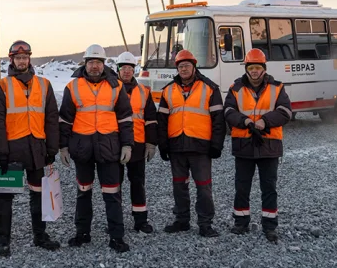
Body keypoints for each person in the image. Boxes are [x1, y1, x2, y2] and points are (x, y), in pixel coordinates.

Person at [59, 44, 134, 253]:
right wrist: (63, 147)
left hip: (109, 147)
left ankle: (117, 237)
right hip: (82, 148)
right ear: (85, 63)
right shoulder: (73, 87)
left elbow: (126, 118)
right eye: (91, 62)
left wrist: (127, 145)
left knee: (112, 193)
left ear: (104, 64)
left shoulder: (116, 86)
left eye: (98, 62)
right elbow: (65, 120)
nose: (94, 66)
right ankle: (82, 233)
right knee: (83, 192)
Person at [0, 40, 61, 257]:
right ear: (11, 60)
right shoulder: (3, 86)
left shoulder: (44, 85)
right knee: (5, 196)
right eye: (18, 58)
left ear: (29, 59)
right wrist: (1, 152)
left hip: (36, 147)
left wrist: (52, 149)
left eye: (25, 57)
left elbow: (51, 119)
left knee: (38, 193)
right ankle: (3, 240)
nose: (22, 61)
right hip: (12, 148)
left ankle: (40, 236)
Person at [223, 48, 292, 243]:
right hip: (244, 144)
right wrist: (244, 121)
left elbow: (286, 112)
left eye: (257, 67)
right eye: (251, 67)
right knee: (241, 187)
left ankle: (270, 226)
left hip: (269, 144)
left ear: (264, 68)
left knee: (269, 187)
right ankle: (241, 222)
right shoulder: (235, 88)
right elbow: (228, 111)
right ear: (246, 68)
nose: (254, 71)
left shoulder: (277, 88)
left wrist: (264, 121)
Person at [156, 49, 226, 238]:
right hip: (176, 146)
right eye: (180, 66)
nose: (184, 69)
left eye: (187, 65)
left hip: (201, 147)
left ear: (194, 67)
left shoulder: (210, 88)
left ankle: (205, 224)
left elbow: (219, 120)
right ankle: (182, 221)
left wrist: (216, 145)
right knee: (179, 186)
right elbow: (162, 121)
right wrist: (163, 145)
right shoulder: (168, 90)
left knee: (203, 187)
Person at [114, 51, 158, 233]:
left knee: (138, 183)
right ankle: (115, 221)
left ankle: (140, 220)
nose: (126, 71)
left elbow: (151, 120)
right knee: (114, 185)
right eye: (123, 67)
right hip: (115, 143)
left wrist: (151, 143)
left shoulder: (144, 92)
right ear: (117, 69)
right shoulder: (110, 90)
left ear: (134, 70)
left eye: (130, 67)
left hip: (138, 143)